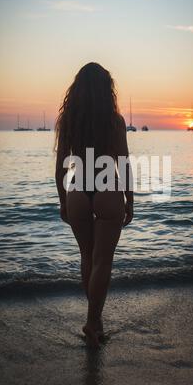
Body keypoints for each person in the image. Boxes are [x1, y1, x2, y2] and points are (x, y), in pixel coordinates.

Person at [55, 62, 133, 347]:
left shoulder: (68, 121)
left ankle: (95, 322)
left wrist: (63, 200)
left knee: (87, 258)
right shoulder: (115, 121)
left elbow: (60, 166)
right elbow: (122, 163)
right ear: (106, 89)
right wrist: (130, 199)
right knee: (102, 261)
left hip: (77, 189)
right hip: (107, 187)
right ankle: (92, 322)